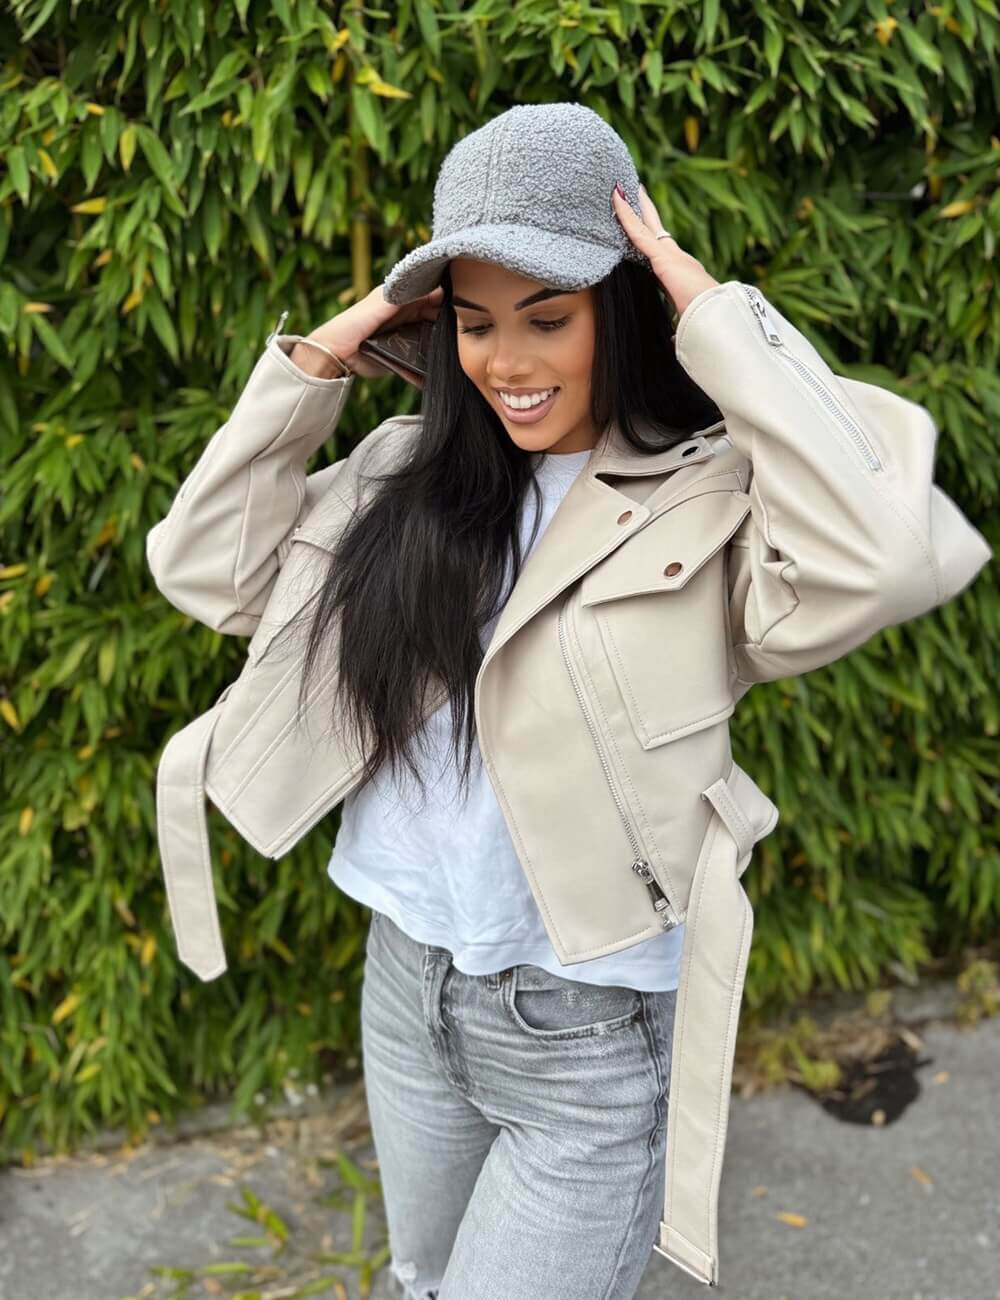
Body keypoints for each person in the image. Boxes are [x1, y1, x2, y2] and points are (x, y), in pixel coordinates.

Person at [146, 104, 992, 1299]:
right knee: (422, 1280)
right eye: (474, 322)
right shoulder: (400, 479)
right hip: (410, 983)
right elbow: (205, 571)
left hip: (593, 1031)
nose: (507, 362)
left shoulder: (708, 500)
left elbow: (887, 557)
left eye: (548, 318)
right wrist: (327, 355)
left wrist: (715, 315)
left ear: (619, 311)